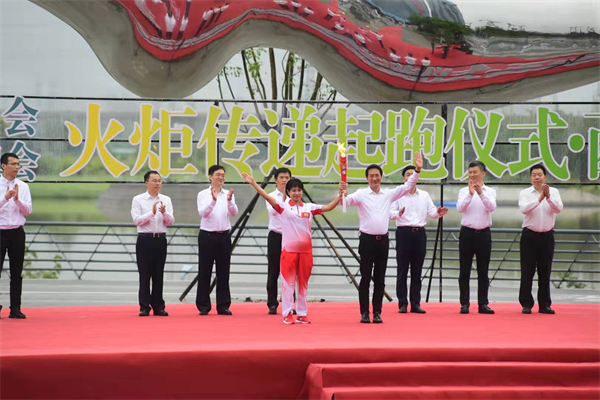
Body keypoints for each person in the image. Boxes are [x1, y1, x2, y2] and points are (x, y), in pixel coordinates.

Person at [242, 173, 343, 324]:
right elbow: (266, 196)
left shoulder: (309, 207)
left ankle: (302, 313)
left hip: (306, 252)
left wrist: (340, 196)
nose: (296, 193)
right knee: (288, 283)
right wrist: (253, 183)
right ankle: (287, 313)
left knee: (303, 283)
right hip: (289, 252)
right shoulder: (283, 207)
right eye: (293, 190)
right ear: (288, 192)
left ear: (302, 192)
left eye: (299, 190)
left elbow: (328, 207)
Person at [339, 153, 423, 324]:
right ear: (367, 178)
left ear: (381, 177)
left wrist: (418, 170)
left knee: (380, 279)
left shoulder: (388, 194)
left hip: (382, 241)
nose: (374, 178)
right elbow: (345, 202)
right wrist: (342, 192)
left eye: (377, 175)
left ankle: (377, 312)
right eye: (371, 176)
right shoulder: (361, 194)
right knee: (365, 278)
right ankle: (364, 312)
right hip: (367, 241)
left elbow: (407, 186)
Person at [391, 165, 448, 314]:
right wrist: (398, 213)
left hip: (419, 234)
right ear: (403, 178)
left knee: (417, 271)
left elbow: (432, 213)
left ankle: (415, 303)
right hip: (403, 233)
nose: (410, 177)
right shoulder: (397, 194)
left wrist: (439, 212)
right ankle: (402, 303)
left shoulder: (424, 195)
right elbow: (390, 213)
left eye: (412, 174)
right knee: (402, 270)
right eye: (407, 175)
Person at [518, 164, 563, 314]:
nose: (537, 177)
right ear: (531, 178)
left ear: (545, 177)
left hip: (547, 236)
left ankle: (544, 305)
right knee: (527, 271)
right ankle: (526, 304)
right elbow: (524, 209)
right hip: (529, 236)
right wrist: (539, 199)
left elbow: (558, 208)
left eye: (539, 175)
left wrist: (548, 197)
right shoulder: (525, 193)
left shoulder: (554, 192)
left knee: (545, 271)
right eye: (534, 175)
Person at [196, 165, 238, 315]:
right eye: (218, 175)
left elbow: (234, 213)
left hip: (224, 236)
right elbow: (203, 213)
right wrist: (213, 201)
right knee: (204, 271)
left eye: (223, 175)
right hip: (207, 236)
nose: (221, 178)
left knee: (223, 272)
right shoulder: (203, 194)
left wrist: (230, 201)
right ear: (210, 176)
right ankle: (203, 306)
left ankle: (223, 305)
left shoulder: (228, 194)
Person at [131, 170, 174, 317]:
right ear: (146, 183)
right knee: (144, 274)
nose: (157, 183)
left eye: (159, 181)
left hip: (160, 239)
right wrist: (152, 213)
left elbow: (171, 221)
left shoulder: (166, 200)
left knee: (158, 274)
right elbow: (137, 220)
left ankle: (158, 306)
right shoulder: (138, 199)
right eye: (154, 181)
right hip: (145, 239)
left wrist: (164, 213)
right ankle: (144, 307)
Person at [457, 161, 496, 314]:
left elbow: (491, 207)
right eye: (470, 172)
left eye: (475, 172)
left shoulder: (490, 191)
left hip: (484, 234)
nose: (472, 175)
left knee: (483, 271)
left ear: (483, 174)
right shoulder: (463, 191)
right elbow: (460, 208)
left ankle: (483, 304)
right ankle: (464, 304)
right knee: (464, 270)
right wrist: (470, 194)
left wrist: (480, 193)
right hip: (467, 233)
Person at [0, 152, 32, 319]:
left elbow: (28, 210)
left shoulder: (23, 186)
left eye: (18, 164)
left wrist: (17, 199)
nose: (17, 167)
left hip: (17, 232)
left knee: (16, 272)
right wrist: (5, 198)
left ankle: (15, 308)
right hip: (0, 232)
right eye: (13, 164)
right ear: (3, 166)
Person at [265, 167, 292, 314]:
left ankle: (290, 303)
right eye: (281, 177)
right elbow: (274, 210)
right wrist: (283, 197)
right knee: (273, 271)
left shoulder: (295, 196)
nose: (284, 180)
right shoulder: (271, 196)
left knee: (290, 272)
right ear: (275, 180)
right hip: (276, 236)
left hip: (291, 237)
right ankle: (272, 304)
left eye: (287, 178)